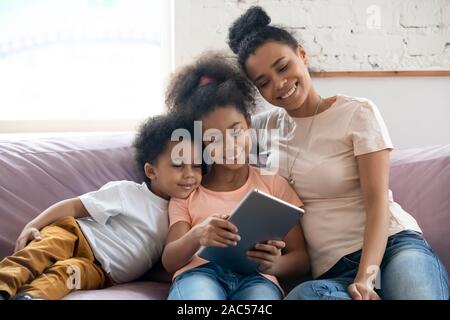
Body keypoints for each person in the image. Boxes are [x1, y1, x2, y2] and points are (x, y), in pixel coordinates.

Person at [227, 6, 449, 300]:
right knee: (300, 298)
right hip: (332, 272)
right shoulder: (264, 127)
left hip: (394, 247)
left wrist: (367, 278)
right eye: (263, 82)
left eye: (283, 67)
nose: (279, 84)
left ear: (302, 56)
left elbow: (377, 203)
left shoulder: (357, 112)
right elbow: (210, 135)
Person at [0, 113, 202, 300]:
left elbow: (157, 266)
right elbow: (73, 207)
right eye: (178, 165)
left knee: (66, 275)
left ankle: (31, 296)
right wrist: (32, 225)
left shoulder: (182, 219)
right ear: (151, 171)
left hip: (102, 273)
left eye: (196, 166)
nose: (189, 174)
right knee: (39, 253)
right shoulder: (128, 192)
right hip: (77, 236)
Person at [162, 52, 310, 300]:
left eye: (236, 131)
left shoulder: (272, 183)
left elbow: (302, 258)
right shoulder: (188, 191)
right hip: (200, 275)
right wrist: (197, 234)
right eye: (213, 139)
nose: (229, 145)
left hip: (258, 279)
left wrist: (275, 265)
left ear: (249, 124)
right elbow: (169, 260)